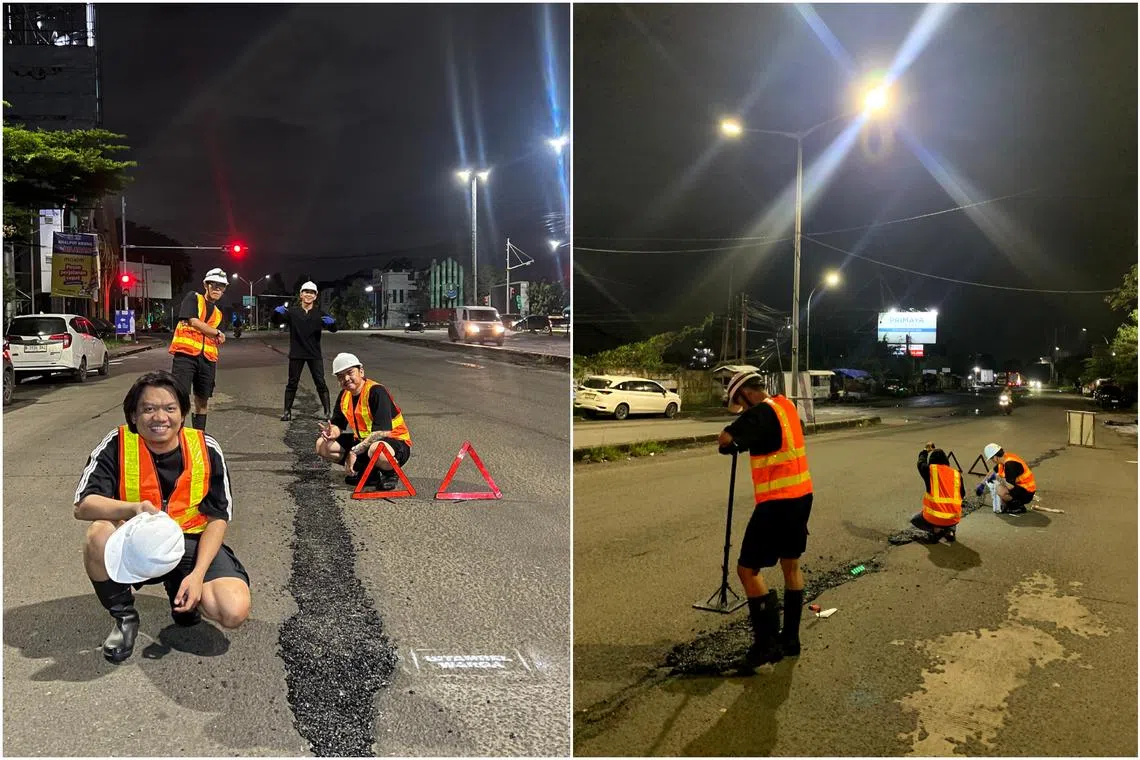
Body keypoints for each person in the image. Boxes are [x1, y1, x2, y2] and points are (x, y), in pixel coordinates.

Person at [73, 371, 251, 663]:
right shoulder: (116, 444)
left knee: (232, 610)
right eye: (148, 409)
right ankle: (124, 617)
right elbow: (83, 505)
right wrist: (132, 509)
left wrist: (196, 575)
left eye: (169, 408)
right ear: (133, 415)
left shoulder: (206, 448)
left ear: (182, 414)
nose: (159, 417)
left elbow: (219, 517)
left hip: (190, 544)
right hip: (136, 544)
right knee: (97, 535)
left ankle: (181, 586)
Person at [717, 371, 813, 666]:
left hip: (776, 504)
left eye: (740, 402)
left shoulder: (758, 413)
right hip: (802, 496)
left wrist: (732, 437)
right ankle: (791, 640)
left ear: (745, 392)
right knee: (791, 564)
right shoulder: (786, 406)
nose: (742, 408)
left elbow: (726, 439)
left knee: (747, 570)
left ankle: (766, 645)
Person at [315, 353, 411, 490]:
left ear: (361, 371)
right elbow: (338, 424)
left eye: (350, 373)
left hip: (393, 443)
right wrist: (332, 432)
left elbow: (382, 433)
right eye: (341, 377)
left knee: (377, 449)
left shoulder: (376, 391)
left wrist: (353, 452)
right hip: (362, 443)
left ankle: (390, 473)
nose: (346, 379)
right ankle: (370, 473)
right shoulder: (345, 395)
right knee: (322, 445)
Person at [169, 268, 229, 432]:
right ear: (206, 285)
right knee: (180, 398)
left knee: (202, 401)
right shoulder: (193, 298)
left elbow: (219, 338)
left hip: (208, 360)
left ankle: (199, 437)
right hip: (186, 357)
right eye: (214, 284)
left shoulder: (218, 314)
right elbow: (194, 321)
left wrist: (216, 334)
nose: (217, 289)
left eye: (221, 286)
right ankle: (176, 438)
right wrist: (215, 332)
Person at [274, 281, 337, 421]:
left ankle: (327, 413)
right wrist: (276, 313)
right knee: (292, 383)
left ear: (315, 296)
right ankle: (287, 412)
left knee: (320, 383)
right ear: (301, 294)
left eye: (312, 292)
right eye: (306, 292)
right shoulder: (292, 312)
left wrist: (332, 323)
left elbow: (333, 329)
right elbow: (276, 320)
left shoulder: (319, 313)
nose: (308, 295)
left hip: (314, 354)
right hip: (297, 353)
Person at [909, 442, 963, 542]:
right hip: (954, 518)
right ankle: (950, 530)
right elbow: (962, 494)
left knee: (914, 519)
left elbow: (920, 462)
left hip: (934, 518)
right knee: (948, 514)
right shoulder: (956, 474)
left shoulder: (929, 470)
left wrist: (925, 451)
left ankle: (936, 532)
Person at [978, 442, 1037, 514]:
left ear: (995, 457)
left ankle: (1018, 507)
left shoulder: (1010, 465)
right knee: (999, 487)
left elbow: (1010, 486)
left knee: (1000, 490)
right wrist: (982, 484)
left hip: (1027, 492)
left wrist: (997, 478)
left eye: (991, 459)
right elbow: (992, 471)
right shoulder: (1003, 459)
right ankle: (1011, 504)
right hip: (1021, 487)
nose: (992, 461)